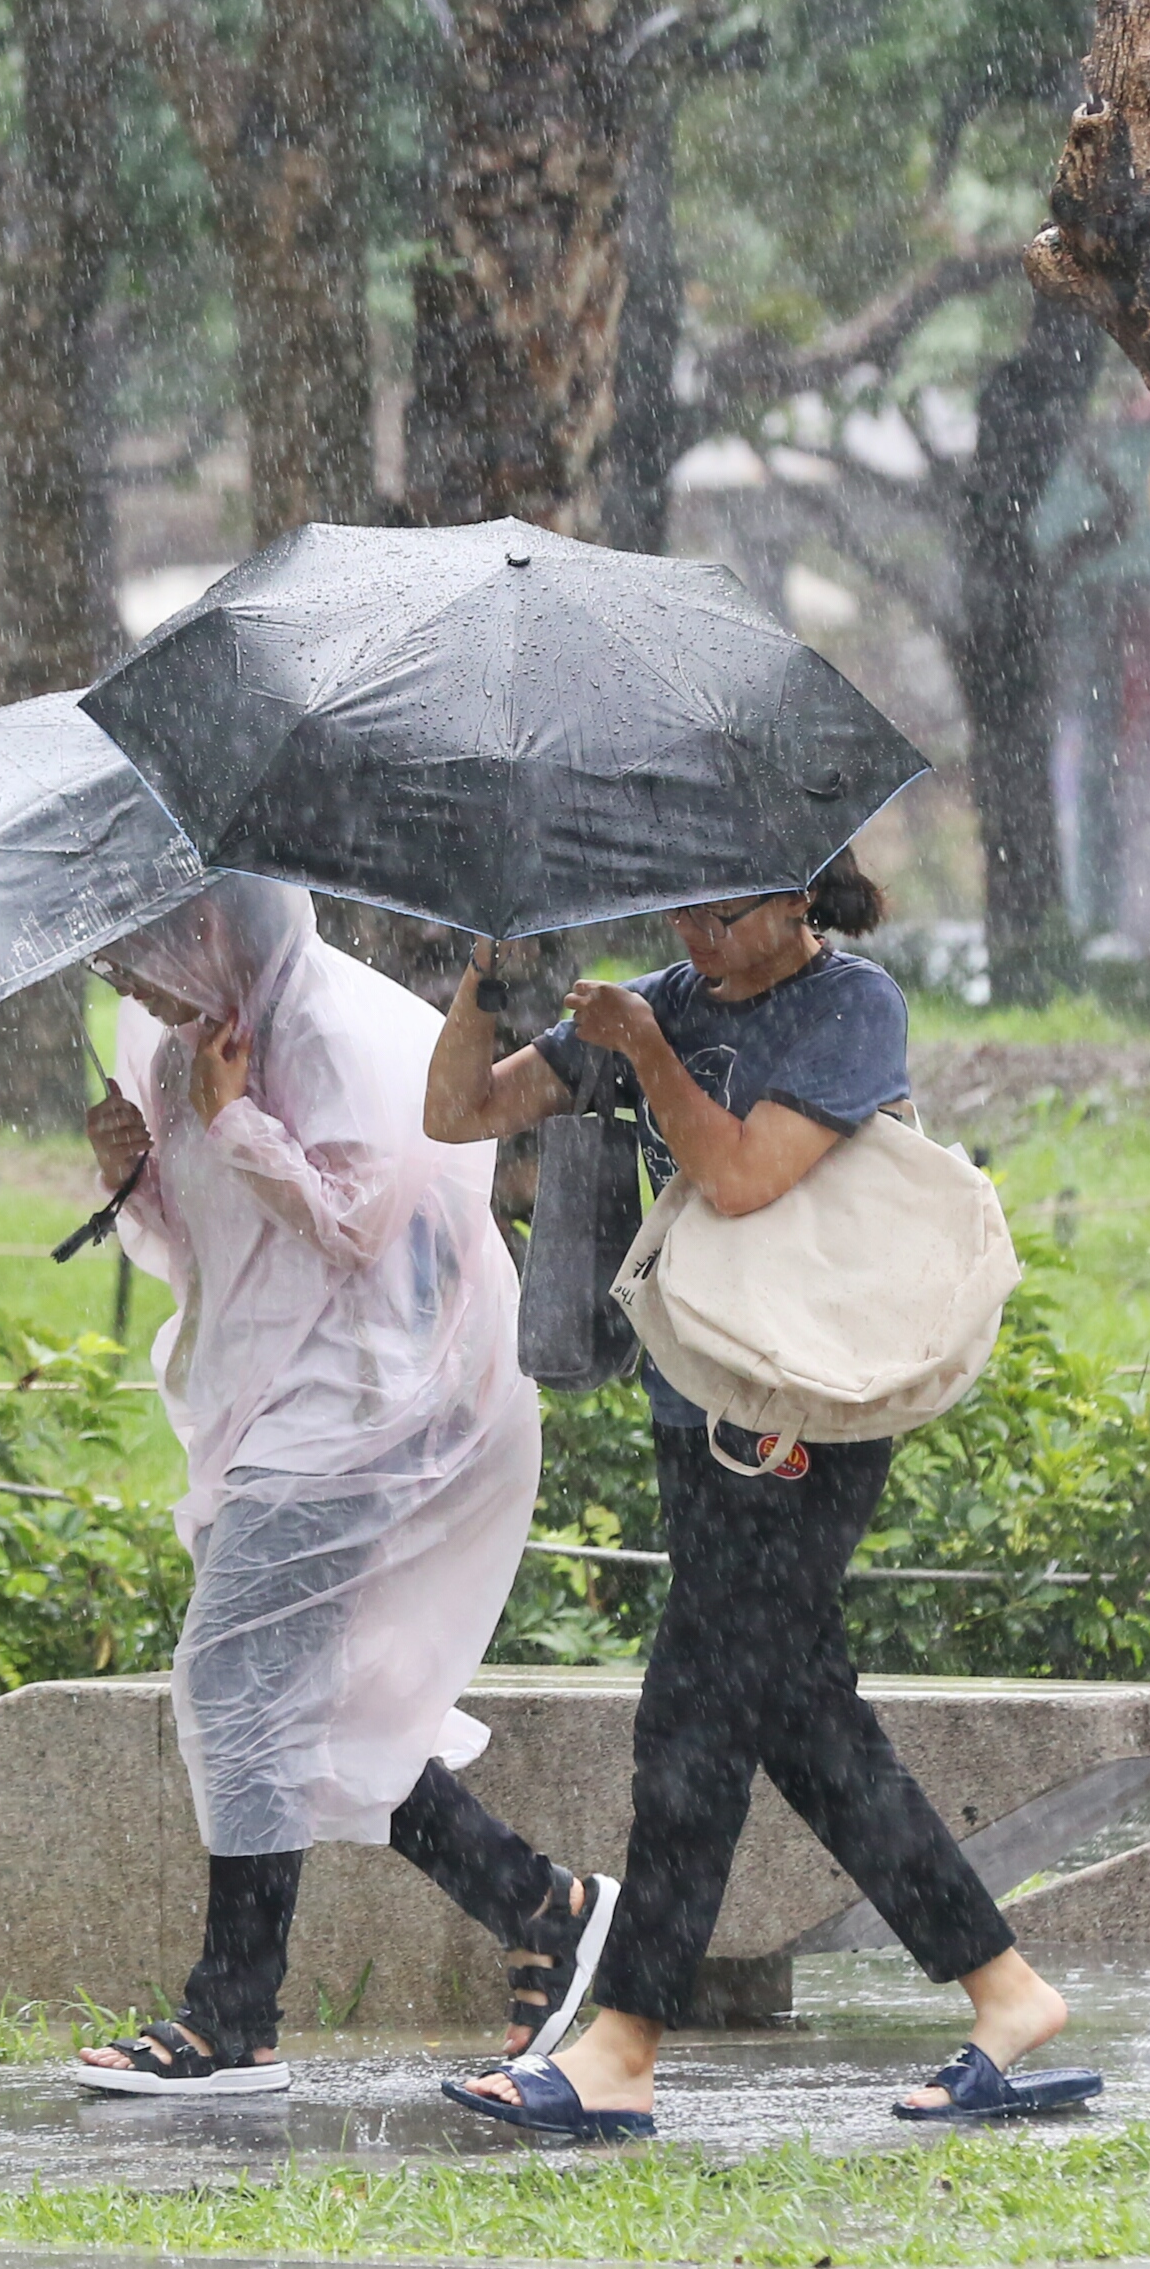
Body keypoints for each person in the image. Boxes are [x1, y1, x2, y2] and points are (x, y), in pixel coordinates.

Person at [418, 851, 1100, 2136]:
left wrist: (649, 1052)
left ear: (801, 896)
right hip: (702, 1404)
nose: (700, 935)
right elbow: (459, 1116)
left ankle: (623, 2040)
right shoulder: (661, 995)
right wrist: (486, 979)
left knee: (691, 1719)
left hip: (804, 1413)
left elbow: (738, 1177)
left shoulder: (852, 1005)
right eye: (681, 909)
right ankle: (1007, 1995)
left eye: (725, 911)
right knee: (802, 1720)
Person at [69, 874, 615, 2099]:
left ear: (205, 928)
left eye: (139, 958)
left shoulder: (317, 1028)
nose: (127, 986)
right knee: (297, 1699)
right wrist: (134, 1171)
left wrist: (239, 1120)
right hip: (268, 1389)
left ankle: (233, 2015)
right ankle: (546, 1906)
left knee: (233, 1675)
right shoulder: (171, 1036)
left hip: (375, 1393)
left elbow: (360, 1224)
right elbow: (206, 1229)